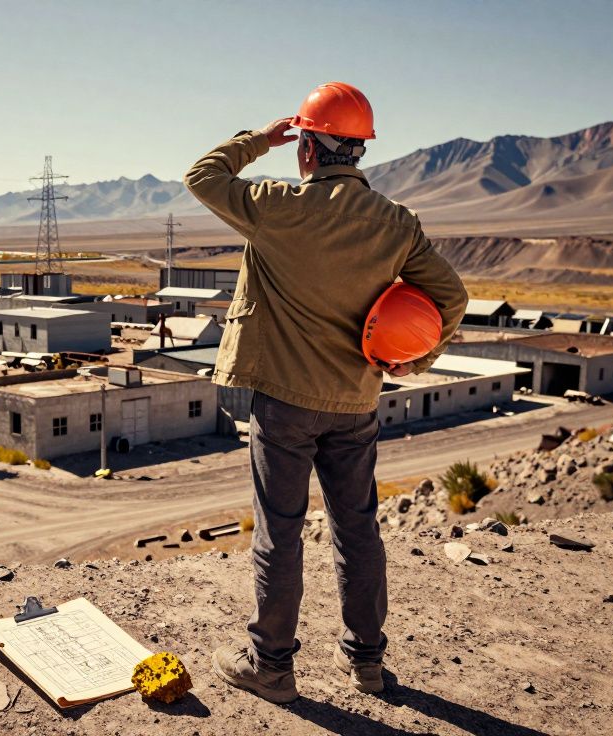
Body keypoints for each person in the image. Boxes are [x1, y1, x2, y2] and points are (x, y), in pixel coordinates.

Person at [185, 82, 468, 702]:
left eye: (300, 142)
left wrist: (260, 139)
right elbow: (451, 298)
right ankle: (367, 664)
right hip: (356, 403)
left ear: (307, 148)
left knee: (279, 534)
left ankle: (272, 667)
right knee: (357, 528)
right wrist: (418, 357)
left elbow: (202, 176)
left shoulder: (278, 205)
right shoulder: (396, 222)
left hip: (284, 405)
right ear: (360, 150)